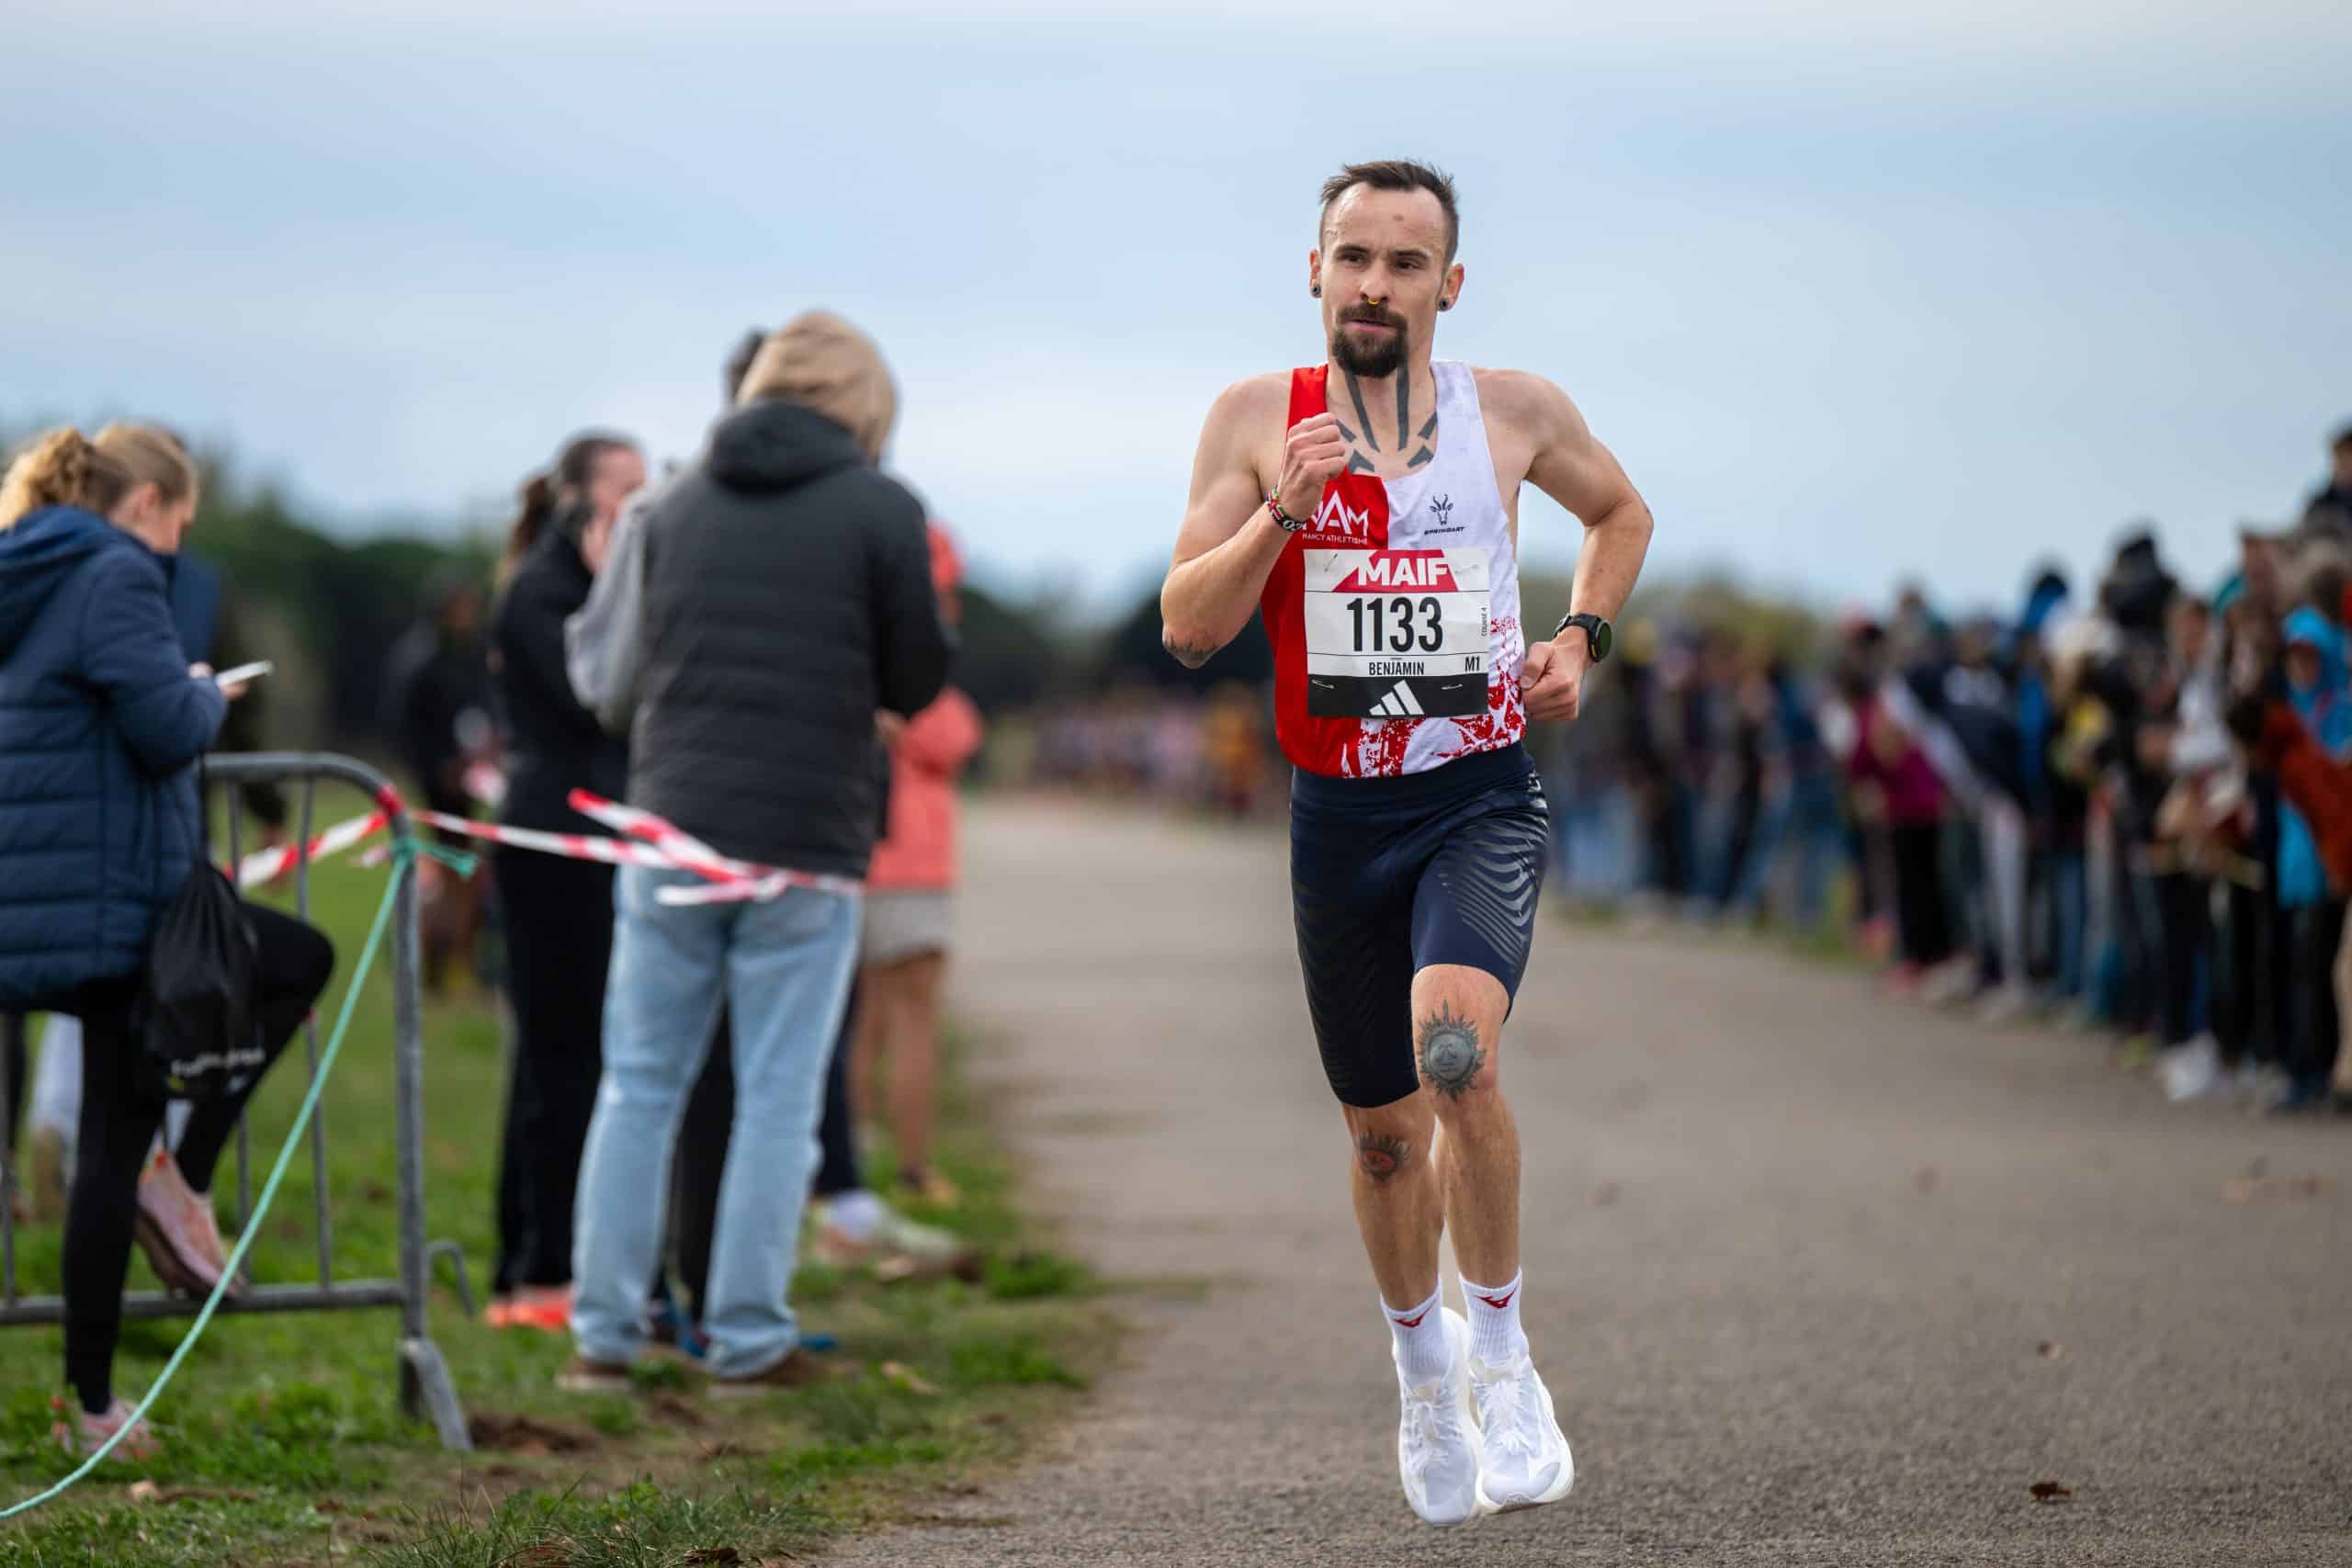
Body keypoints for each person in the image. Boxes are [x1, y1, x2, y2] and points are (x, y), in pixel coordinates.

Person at [1157, 161, 1653, 1526]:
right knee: (1382, 1139)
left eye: (1406, 261)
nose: (1377, 283)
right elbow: (1189, 624)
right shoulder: (1259, 421)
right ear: (1312, 269)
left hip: (1476, 792)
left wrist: (1578, 639)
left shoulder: (1516, 412)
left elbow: (1621, 513)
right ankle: (1422, 1368)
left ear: (1450, 282)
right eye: (1355, 256)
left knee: (1458, 1052)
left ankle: (1504, 1355)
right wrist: (1281, 513)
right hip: (1338, 819)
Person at [564, 310, 950, 1394]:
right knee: (778, 1096)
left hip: (673, 827)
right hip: (805, 844)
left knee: (637, 1085)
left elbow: (613, 680)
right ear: (861, 404)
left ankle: (603, 1335)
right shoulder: (883, 510)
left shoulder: (667, 503)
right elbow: (915, 679)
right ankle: (745, 1335)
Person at [0, 427, 334, 1459]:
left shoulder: (21, 566)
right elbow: (162, 726)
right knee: (291, 969)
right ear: (145, 500)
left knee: (102, 1135)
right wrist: (204, 690)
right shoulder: (116, 573)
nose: (176, 552)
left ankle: (94, 1389)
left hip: (29, 893)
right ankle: (100, 1377)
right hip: (113, 900)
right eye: (179, 527)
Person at [483, 431, 645, 1329]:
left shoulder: (570, 585)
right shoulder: (543, 592)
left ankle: (536, 1262)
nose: (641, 503)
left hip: (586, 835)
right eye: (627, 487)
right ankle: (544, 1265)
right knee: (560, 1056)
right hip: (555, 841)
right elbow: (597, 697)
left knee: (568, 1053)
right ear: (578, 500)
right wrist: (612, 591)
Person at [851, 523, 986, 1209]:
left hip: (856, 852)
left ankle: (846, 1161)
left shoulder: (850, 639)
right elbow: (952, 734)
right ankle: (910, 1165)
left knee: (862, 1016)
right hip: (911, 857)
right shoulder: (911, 659)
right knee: (914, 1019)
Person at [382, 577, 492, 993]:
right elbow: (402, 728)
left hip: (464, 787)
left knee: (462, 874)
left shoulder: (467, 656)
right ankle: (432, 960)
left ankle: (456, 960)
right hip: (434, 788)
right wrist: (437, 768)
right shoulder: (418, 660)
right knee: (443, 875)